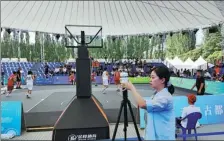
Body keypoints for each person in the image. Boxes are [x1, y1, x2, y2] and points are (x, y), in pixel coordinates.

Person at [122, 66, 175, 140]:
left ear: (162, 80)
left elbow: (142, 104)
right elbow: (141, 102)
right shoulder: (157, 94)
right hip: (154, 135)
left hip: (162, 136)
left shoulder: (165, 97)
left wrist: (132, 88)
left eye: (153, 77)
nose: (150, 80)